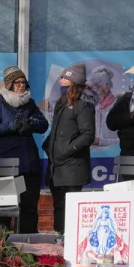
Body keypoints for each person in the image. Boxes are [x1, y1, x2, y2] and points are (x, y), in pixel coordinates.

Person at [0, 66, 49, 233]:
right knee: (4, 205)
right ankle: (2, 242)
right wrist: (12, 125)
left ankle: (27, 241)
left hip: (28, 163)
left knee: (29, 204)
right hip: (6, 163)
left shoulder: (30, 103)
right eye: (17, 82)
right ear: (9, 85)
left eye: (24, 82)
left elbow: (43, 125)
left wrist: (31, 124)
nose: (22, 86)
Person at [42, 63, 95, 234]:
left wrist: (67, 150)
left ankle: (70, 242)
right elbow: (56, 130)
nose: (61, 79)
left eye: (65, 77)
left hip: (72, 168)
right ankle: (59, 241)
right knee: (59, 206)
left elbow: (88, 135)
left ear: (73, 81)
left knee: (69, 209)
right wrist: (48, 146)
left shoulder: (84, 104)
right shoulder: (62, 102)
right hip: (56, 166)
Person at [85, 67, 118, 147]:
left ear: (107, 87)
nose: (91, 92)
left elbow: (122, 138)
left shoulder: (117, 106)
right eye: (90, 88)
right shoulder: (87, 106)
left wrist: (101, 141)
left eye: (96, 87)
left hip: (112, 155)